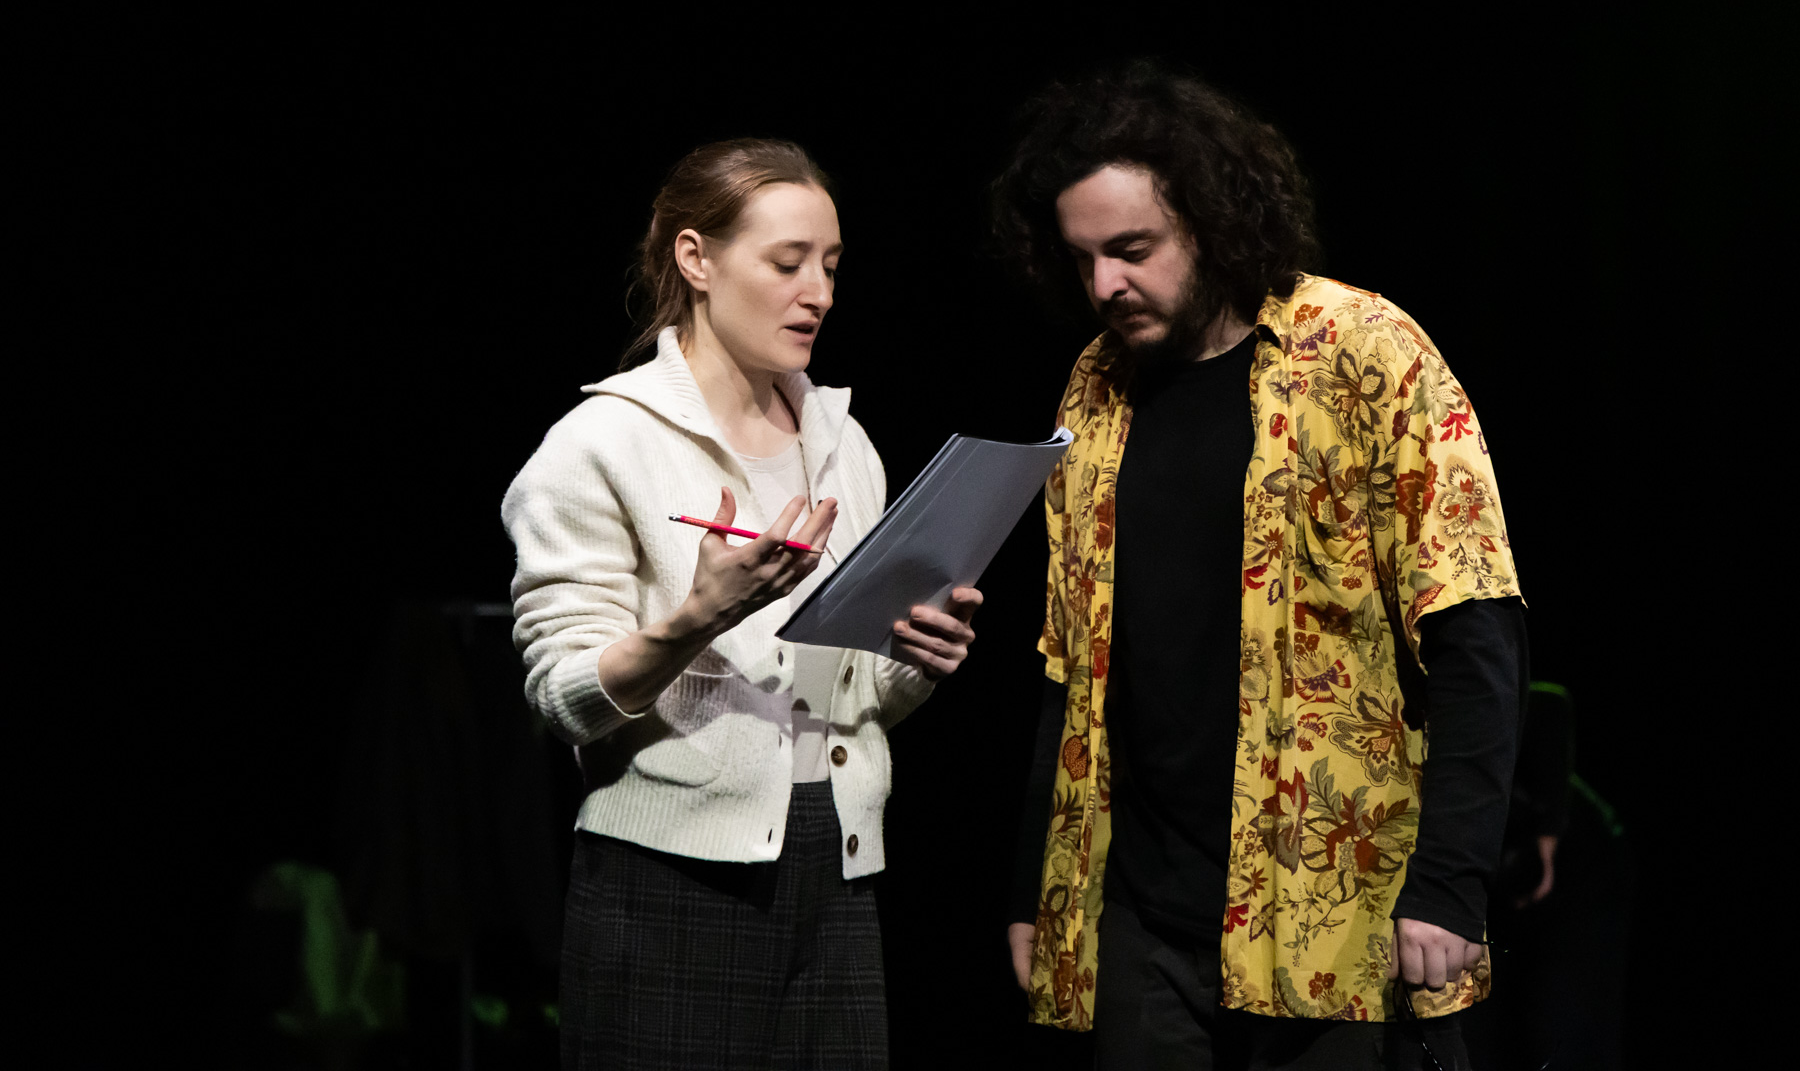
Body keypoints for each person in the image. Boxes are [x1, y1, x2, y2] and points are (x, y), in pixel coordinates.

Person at [993, 66, 1528, 1069]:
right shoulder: (1094, 388)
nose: (1105, 286)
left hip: (1336, 911)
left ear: (1210, 219)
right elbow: (1072, 667)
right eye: (1083, 259)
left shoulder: (1366, 352)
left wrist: (1453, 882)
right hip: (1144, 917)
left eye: (1132, 250)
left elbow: (1475, 628)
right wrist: (1036, 884)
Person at [502, 138, 981, 1070]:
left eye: (831, 266)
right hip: (669, 881)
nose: (819, 293)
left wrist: (917, 657)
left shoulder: (843, 444)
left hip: (837, 866)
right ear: (697, 259)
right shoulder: (603, 443)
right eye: (787, 263)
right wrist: (695, 620)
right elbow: (561, 698)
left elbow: (861, 697)